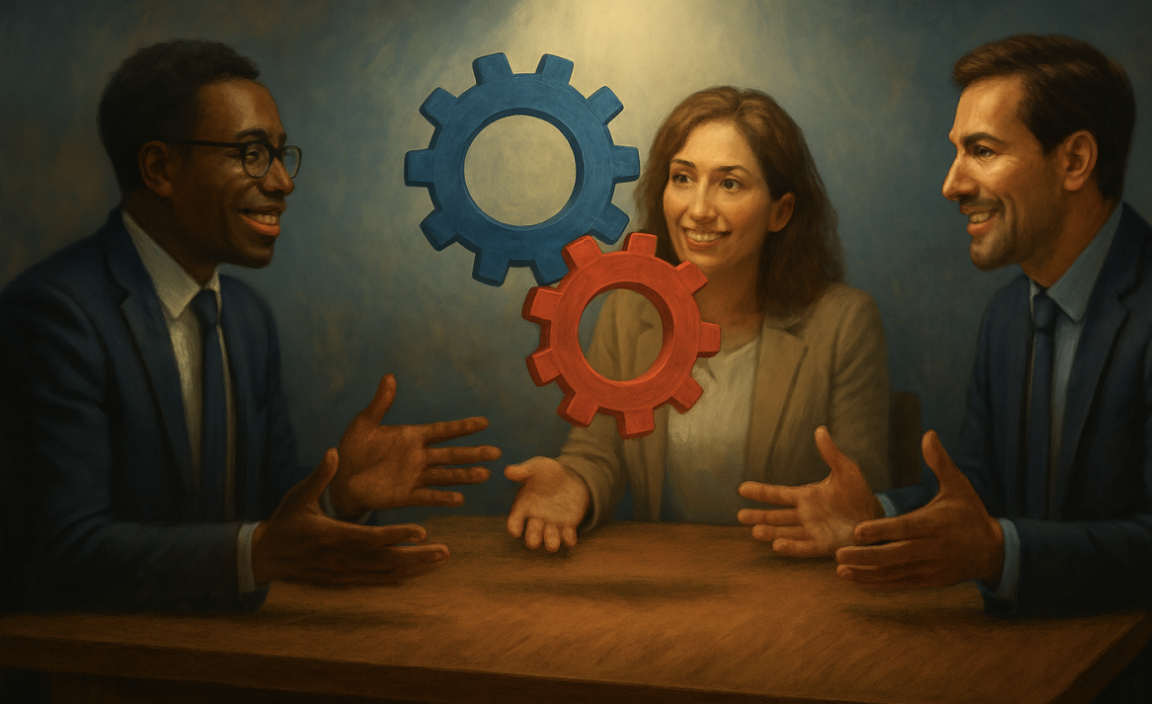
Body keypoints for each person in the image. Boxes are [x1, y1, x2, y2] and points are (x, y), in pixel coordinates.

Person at [737, 34, 1152, 698]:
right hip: (1025, 668)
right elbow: (979, 494)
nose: (952, 183)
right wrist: (877, 515)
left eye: (981, 151)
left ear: (1074, 160)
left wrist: (997, 553)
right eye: (958, 153)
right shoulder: (1009, 316)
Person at [0, 40, 501, 612]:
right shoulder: (53, 314)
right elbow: (64, 550)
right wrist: (258, 555)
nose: (283, 183)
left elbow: (259, 506)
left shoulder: (245, 318)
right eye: (251, 153)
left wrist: (338, 492)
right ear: (160, 168)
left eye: (281, 155)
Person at [505, 87, 892, 552]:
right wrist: (573, 484)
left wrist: (858, 511)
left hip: (791, 585)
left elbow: (861, 494)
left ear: (780, 211)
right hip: (664, 587)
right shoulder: (628, 311)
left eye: (730, 184)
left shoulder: (845, 322)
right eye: (683, 178)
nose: (699, 209)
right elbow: (597, 453)